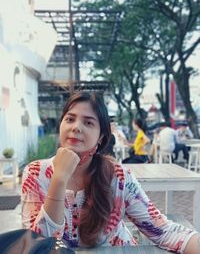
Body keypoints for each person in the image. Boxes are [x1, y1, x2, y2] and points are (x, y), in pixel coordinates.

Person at [21, 91, 200, 253]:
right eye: (70, 119)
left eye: (88, 122)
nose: (76, 127)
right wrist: (59, 180)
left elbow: (162, 230)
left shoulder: (119, 177)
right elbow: (37, 245)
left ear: (101, 138)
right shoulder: (35, 173)